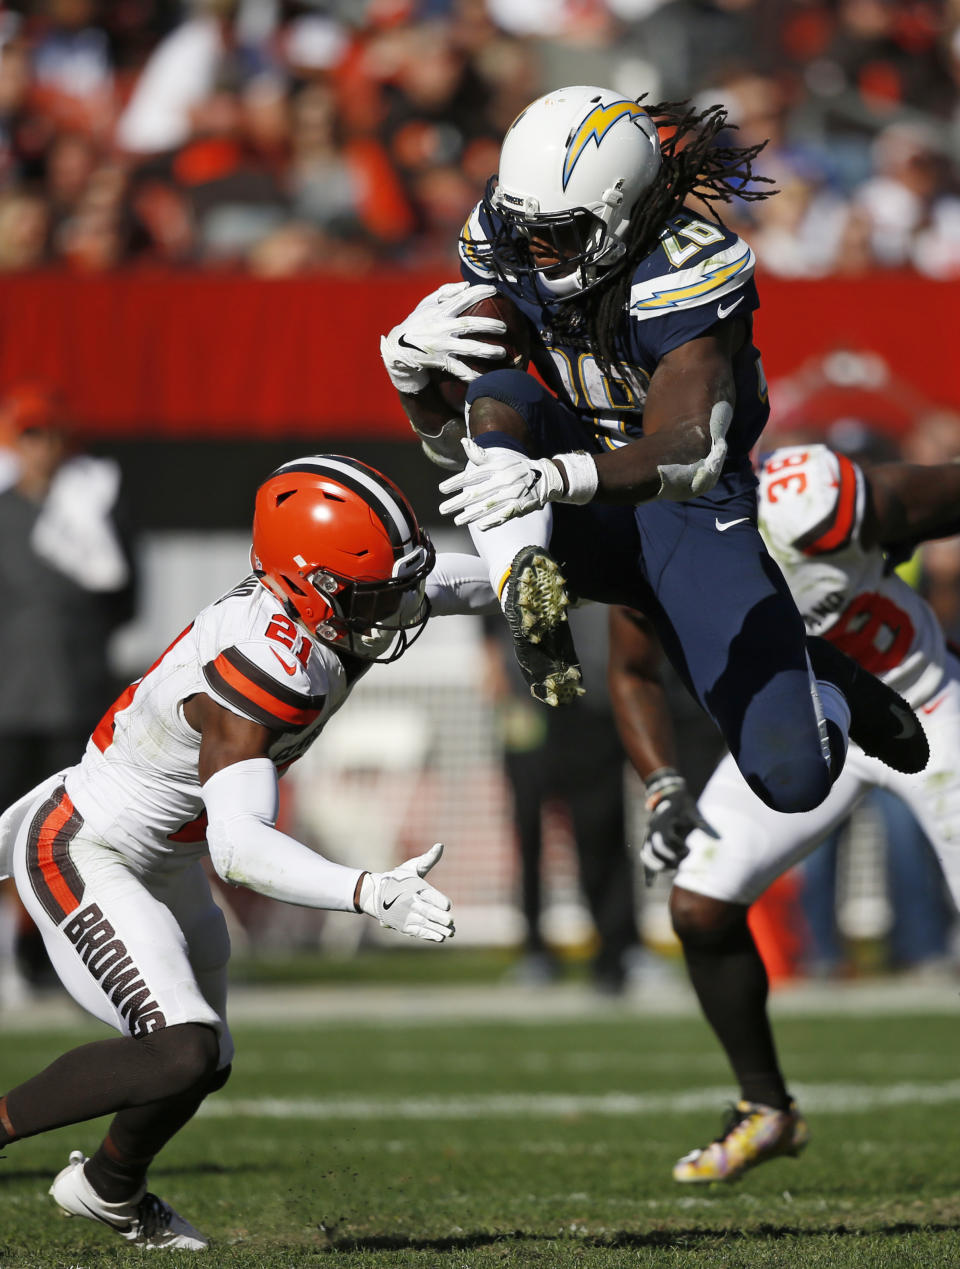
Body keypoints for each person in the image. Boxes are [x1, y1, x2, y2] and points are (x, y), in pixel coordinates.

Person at [380, 84, 928, 817]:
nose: (534, 249)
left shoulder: (687, 267)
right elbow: (470, 457)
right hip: (567, 476)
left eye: (559, 233)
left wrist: (555, 477)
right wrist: (414, 384)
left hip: (689, 504)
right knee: (502, 385)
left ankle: (829, 682)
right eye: (525, 230)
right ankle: (522, 583)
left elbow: (689, 451)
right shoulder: (504, 236)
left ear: (619, 211)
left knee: (793, 781)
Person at [0, 454, 495, 1250]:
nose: (397, 610)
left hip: (161, 855)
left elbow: (449, 587)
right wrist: (367, 891)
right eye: (374, 593)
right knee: (180, 1049)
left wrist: (548, 576)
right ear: (311, 587)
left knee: (206, 1057)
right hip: (88, 849)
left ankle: (108, 1188)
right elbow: (239, 847)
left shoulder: (325, 601)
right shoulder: (264, 667)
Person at [614, 443, 960, 1184]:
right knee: (700, 904)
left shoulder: (800, 497)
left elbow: (941, 492)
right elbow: (632, 668)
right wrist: (663, 782)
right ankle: (766, 1109)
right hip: (808, 731)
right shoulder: (649, 537)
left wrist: (894, 531)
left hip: (924, 709)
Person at [0, 383, 136, 1006]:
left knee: (63, 838)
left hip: (76, 698)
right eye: (31, 434)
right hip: (8, 701)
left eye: (51, 434)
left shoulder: (96, 511)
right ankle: (14, 950)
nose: (42, 448)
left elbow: (124, 600)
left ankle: (53, 953)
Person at [483, 602, 640, 993]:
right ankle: (535, 949)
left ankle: (619, 950)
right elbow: (488, 633)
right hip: (529, 707)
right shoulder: (506, 546)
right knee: (529, 833)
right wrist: (505, 692)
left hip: (592, 707)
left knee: (602, 830)